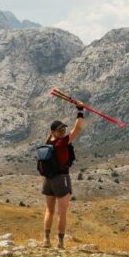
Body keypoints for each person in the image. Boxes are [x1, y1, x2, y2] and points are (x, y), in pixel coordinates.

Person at [42, 101, 85, 248]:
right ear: (54, 132)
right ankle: (60, 243)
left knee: (49, 210)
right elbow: (78, 127)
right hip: (61, 179)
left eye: (63, 130)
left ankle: (46, 240)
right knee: (62, 213)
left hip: (48, 180)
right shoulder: (63, 142)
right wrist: (80, 110)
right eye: (60, 130)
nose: (63, 132)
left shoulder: (48, 144)